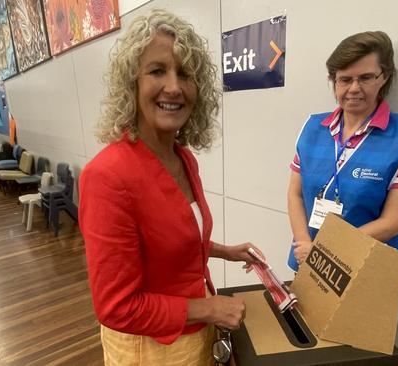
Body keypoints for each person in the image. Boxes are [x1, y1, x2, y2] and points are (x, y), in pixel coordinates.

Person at [79, 9, 264, 365]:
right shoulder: (107, 176)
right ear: (131, 83)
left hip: (195, 334)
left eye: (186, 74)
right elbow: (117, 308)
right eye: (157, 71)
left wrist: (226, 251)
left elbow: (168, 243)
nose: (174, 86)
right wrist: (208, 307)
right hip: (151, 350)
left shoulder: (183, 159)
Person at [287, 31, 398, 271]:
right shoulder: (312, 127)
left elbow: (394, 222)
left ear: (384, 77)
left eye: (365, 78)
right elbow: (295, 194)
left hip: (364, 273)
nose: (354, 88)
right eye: (345, 79)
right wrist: (304, 244)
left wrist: (322, 252)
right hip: (307, 261)